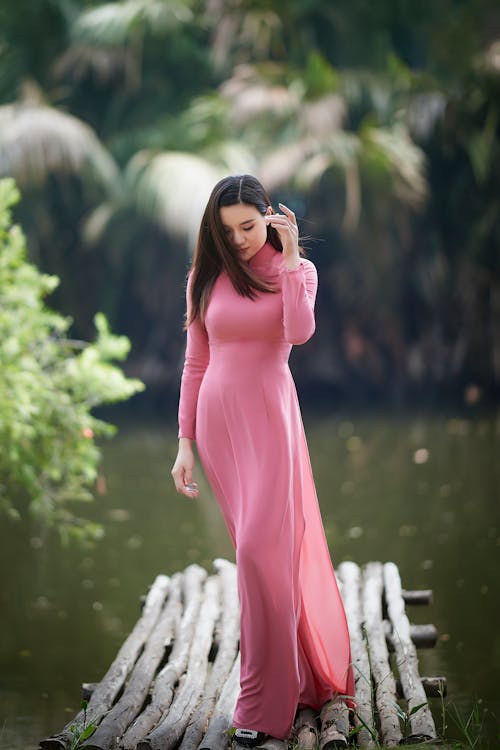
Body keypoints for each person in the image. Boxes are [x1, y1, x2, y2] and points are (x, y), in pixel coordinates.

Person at [171, 175, 354, 748]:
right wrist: (184, 442)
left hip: (271, 422)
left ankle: (261, 704)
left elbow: (299, 333)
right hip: (218, 427)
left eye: (248, 226)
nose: (241, 239)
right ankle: (286, 681)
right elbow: (194, 363)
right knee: (258, 558)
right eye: (227, 231)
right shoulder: (205, 278)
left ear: (271, 216)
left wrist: (294, 255)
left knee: (258, 553)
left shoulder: (295, 272)